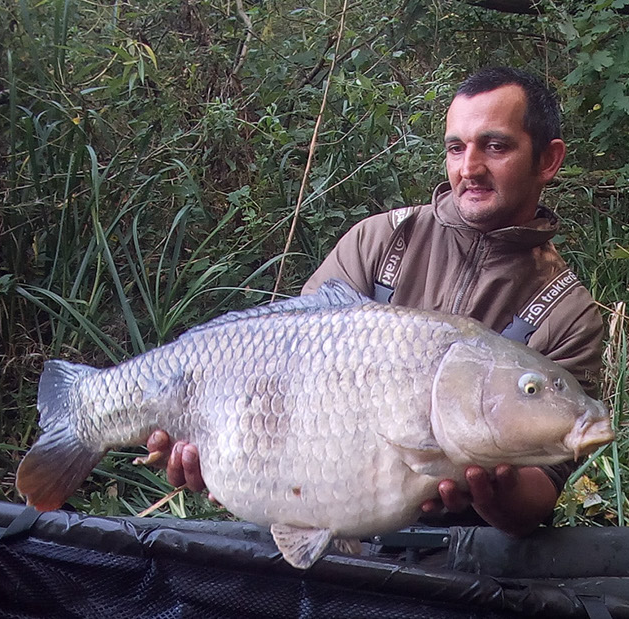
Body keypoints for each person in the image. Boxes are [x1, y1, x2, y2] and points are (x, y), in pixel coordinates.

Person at [145, 66, 604, 538]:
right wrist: (229, 459)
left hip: (468, 548)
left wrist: (488, 488)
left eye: (495, 146)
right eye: (455, 148)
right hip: (326, 499)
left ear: (548, 161)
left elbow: (540, 494)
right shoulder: (382, 240)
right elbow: (284, 366)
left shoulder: (568, 314)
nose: (469, 167)